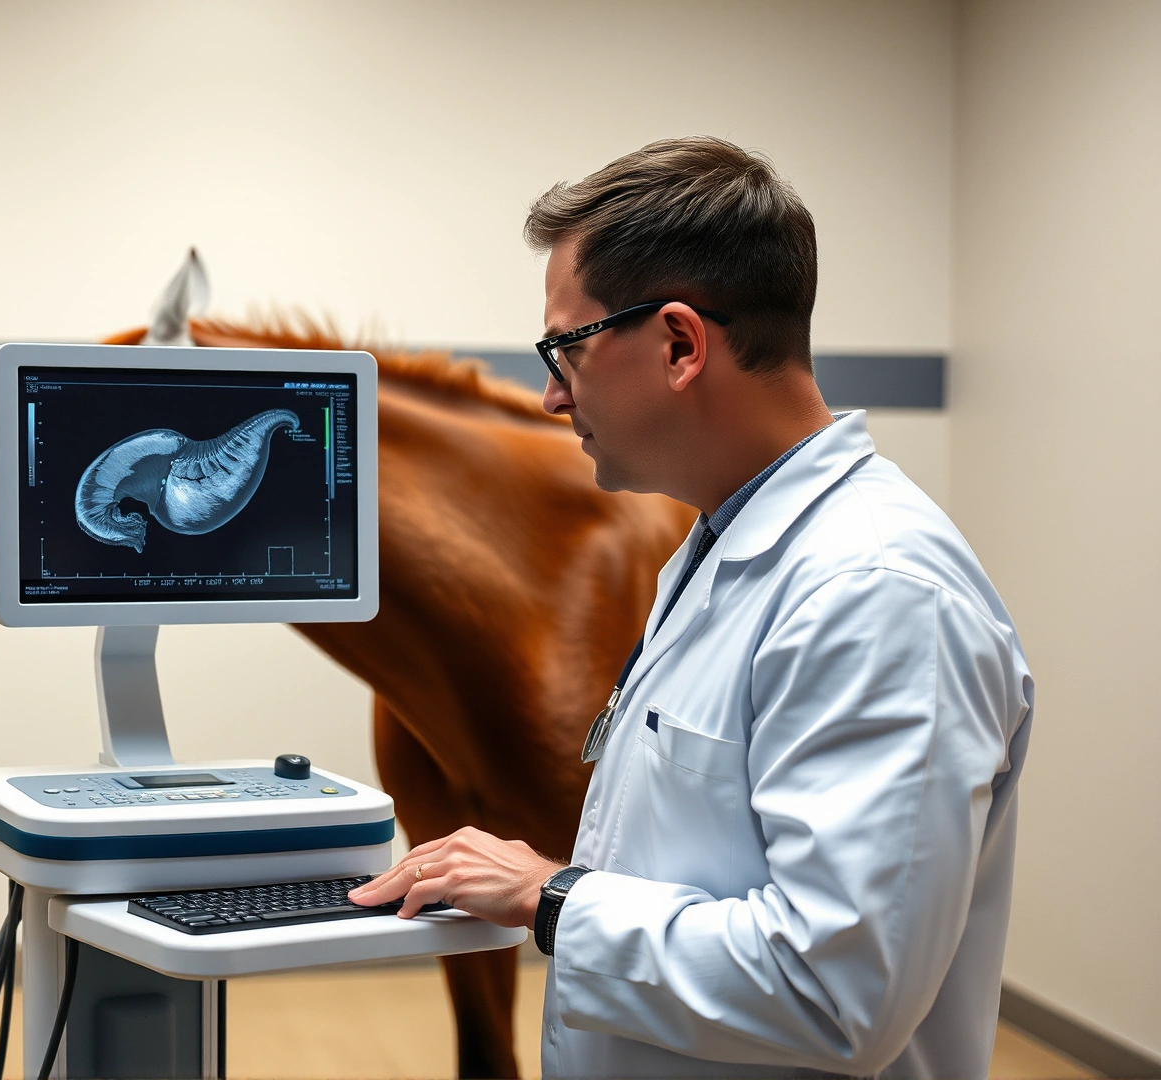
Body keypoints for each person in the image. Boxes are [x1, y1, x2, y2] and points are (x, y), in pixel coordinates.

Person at [350, 137, 1033, 1079]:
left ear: (678, 344)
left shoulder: (876, 595)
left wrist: (552, 898)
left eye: (565, 350)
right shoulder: (719, 551)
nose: (550, 395)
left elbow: (840, 995)